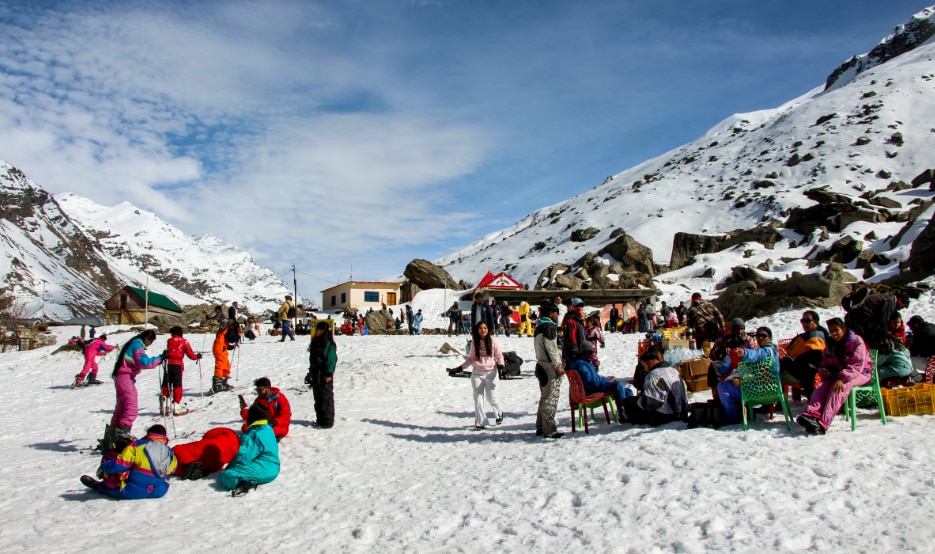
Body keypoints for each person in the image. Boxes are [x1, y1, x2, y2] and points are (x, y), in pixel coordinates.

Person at [796, 318, 873, 435]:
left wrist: (841, 379)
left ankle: (823, 424)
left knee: (838, 388)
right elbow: (824, 363)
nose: (834, 334)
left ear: (843, 329)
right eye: (831, 331)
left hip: (861, 373)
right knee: (821, 386)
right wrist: (824, 371)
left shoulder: (856, 341)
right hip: (839, 374)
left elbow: (857, 365)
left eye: (836, 330)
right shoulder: (830, 344)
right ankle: (811, 415)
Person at [103, 330, 164, 452]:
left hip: (122, 377)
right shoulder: (137, 346)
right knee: (131, 408)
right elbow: (145, 362)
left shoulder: (133, 343)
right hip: (125, 378)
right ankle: (122, 435)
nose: (150, 344)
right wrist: (160, 358)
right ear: (146, 338)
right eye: (150, 341)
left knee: (121, 409)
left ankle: (110, 438)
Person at [81, 424, 177, 499]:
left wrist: (104, 466)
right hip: (159, 491)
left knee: (110, 487)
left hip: (132, 491)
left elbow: (119, 465)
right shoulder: (170, 452)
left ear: (150, 433)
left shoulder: (137, 446)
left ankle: (99, 486)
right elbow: (171, 472)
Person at [717, 326, 779, 425]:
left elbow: (756, 355)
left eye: (764, 335)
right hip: (769, 387)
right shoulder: (771, 351)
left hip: (759, 390)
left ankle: (732, 418)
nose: (760, 338)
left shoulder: (767, 351)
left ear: (770, 338)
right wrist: (741, 379)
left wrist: (745, 353)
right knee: (732, 383)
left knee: (723, 387)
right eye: (758, 335)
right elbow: (756, 372)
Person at [449, 322, 504, 430]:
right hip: (477, 373)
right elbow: (471, 358)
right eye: (480, 328)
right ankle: (480, 422)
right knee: (478, 398)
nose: (482, 330)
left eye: (485, 328)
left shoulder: (493, 340)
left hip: (491, 373)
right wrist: (460, 368)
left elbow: (498, 355)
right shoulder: (475, 342)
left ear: (488, 329)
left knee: (492, 398)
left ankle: (498, 413)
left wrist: (501, 365)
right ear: (477, 330)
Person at [219, 404, 280, 496]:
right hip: (275, 467)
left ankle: (242, 484)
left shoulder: (252, 434)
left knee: (227, 475)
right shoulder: (269, 428)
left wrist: (231, 466)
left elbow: (244, 457)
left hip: (264, 470)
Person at [619, 351, 689, 426]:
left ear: (650, 363)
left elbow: (651, 403)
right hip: (683, 413)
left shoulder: (653, 375)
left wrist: (636, 401)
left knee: (628, 403)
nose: (644, 370)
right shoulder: (674, 371)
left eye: (644, 366)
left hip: (666, 416)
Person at [569, 341, 631, 414]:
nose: (594, 354)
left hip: (594, 388)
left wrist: (608, 378)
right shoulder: (580, 365)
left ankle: (631, 411)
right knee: (618, 385)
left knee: (627, 391)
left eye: (594, 352)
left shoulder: (587, 362)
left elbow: (595, 377)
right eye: (591, 352)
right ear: (584, 352)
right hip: (590, 392)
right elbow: (590, 382)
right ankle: (623, 412)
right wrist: (607, 380)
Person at [779, 310, 828, 398]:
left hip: (803, 374)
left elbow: (813, 359)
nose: (804, 323)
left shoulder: (816, 339)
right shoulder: (809, 336)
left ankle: (776, 402)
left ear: (816, 323)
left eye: (808, 321)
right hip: (798, 370)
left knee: (773, 371)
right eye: (803, 321)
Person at [842, 288, 909, 351]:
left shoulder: (883, 297)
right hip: (862, 319)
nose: (901, 308)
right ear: (900, 300)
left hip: (852, 317)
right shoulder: (890, 302)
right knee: (866, 343)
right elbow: (882, 322)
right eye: (903, 306)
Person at [534, 303, 565, 438]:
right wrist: (558, 365)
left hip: (540, 364)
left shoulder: (539, 326)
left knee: (544, 397)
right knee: (551, 398)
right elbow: (552, 348)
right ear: (551, 313)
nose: (557, 316)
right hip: (549, 365)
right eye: (556, 313)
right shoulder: (549, 327)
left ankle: (540, 427)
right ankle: (549, 429)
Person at [707, 318, 757, 398]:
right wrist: (722, 349)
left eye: (741, 329)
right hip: (727, 364)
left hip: (743, 365)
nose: (739, 332)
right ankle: (717, 394)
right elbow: (712, 354)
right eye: (736, 329)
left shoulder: (749, 340)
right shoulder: (724, 339)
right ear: (732, 330)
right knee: (714, 366)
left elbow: (755, 353)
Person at [172, 427, 240, 481]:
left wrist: (189, 464)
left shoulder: (227, 435)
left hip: (215, 443)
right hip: (216, 454)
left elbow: (177, 449)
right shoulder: (235, 453)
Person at [161, 326, 201, 416]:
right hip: (177, 365)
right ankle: (176, 405)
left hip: (168, 364)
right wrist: (196, 357)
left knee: (166, 383)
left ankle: (164, 403)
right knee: (177, 385)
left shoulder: (169, 341)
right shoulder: (184, 341)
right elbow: (190, 354)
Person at [307, 321, 337, 429]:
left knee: (326, 398)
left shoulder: (329, 343)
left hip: (325, 375)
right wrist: (310, 372)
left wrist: (329, 373)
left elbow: (331, 359)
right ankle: (320, 419)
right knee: (318, 398)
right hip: (316, 374)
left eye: (318, 330)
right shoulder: (315, 342)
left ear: (323, 330)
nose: (317, 332)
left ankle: (327, 421)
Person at [562, 298, 588, 367]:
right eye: (578, 305)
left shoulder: (578, 319)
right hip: (573, 352)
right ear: (573, 307)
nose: (580, 308)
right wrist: (574, 350)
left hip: (580, 350)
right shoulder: (570, 319)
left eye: (581, 306)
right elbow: (571, 336)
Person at [211, 322, 236, 393]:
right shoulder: (230, 329)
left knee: (226, 365)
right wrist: (237, 337)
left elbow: (224, 341)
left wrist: (231, 347)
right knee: (221, 364)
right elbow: (231, 338)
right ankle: (217, 384)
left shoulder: (224, 331)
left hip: (220, 348)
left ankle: (223, 382)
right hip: (220, 349)